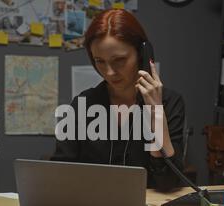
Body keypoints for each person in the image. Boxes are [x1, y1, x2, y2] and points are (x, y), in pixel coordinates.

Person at [51, 9, 185, 191]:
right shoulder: (83, 104)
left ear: (143, 54)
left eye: (119, 60)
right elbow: (59, 175)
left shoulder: (170, 103)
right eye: (100, 61)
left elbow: (168, 183)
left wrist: (156, 113)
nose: (109, 72)